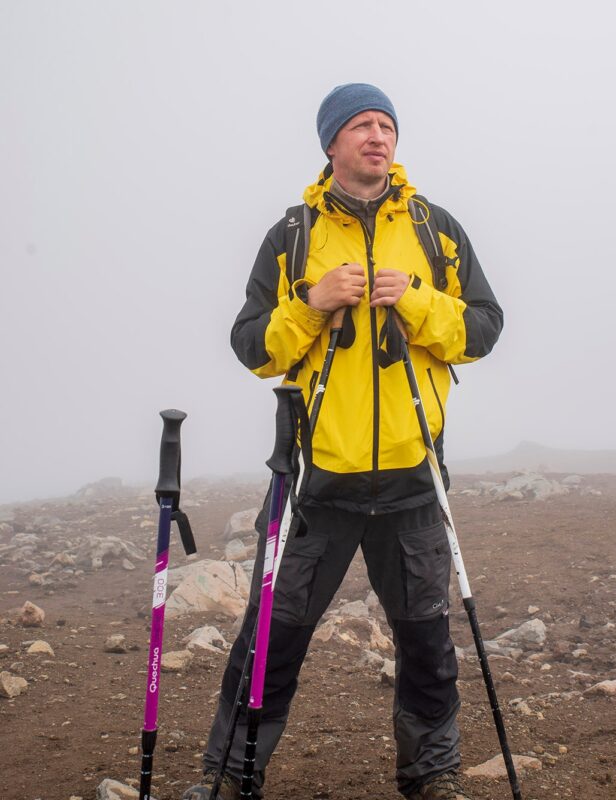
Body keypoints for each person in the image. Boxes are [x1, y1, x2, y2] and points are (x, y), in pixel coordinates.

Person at [184, 83, 503, 800]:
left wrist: (416, 300)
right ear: (331, 144)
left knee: (427, 646)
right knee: (272, 642)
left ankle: (433, 780)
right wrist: (311, 302)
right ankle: (232, 776)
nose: (377, 136)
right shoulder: (293, 235)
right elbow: (251, 346)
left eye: (386, 125)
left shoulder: (434, 228)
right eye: (360, 125)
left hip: (414, 476)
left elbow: (482, 328)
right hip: (317, 480)